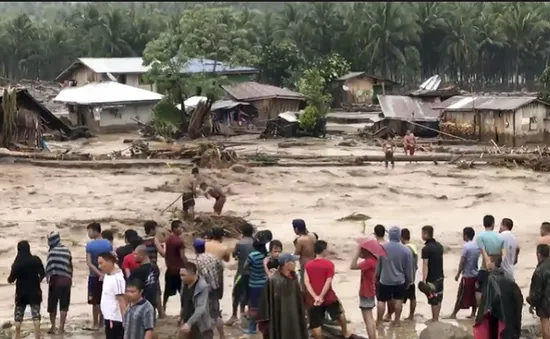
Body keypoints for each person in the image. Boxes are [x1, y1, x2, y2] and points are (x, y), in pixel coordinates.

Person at [304, 241, 352, 339]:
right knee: (339, 313)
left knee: (315, 324)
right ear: (324, 250)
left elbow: (306, 282)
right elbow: (328, 282)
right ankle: (345, 333)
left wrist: (315, 297)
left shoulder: (308, 265)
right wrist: (321, 296)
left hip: (313, 300)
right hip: (328, 297)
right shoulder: (329, 264)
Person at [258, 253, 309, 339]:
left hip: (294, 315)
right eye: (293, 261)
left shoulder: (294, 278)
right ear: (286, 264)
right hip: (279, 317)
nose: (295, 264)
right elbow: (266, 302)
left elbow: (299, 298)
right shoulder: (273, 280)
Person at [473, 256, 523, 339]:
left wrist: (478, 320)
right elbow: (519, 303)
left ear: (493, 263)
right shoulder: (512, 284)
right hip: (509, 324)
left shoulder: (490, 281)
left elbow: (485, 304)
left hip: (496, 321)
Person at [376, 226, 414, 326]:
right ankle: (397, 321)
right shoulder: (406, 250)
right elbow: (408, 267)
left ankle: (379, 321)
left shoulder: (382, 248)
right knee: (398, 300)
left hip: (385, 279)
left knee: (381, 300)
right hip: (399, 280)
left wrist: (377, 276)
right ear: (399, 235)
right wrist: (409, 280)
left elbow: (378, 265)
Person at [8, 241, 45, 339]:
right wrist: (38, 280)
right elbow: (43, 273)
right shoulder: (36, 260)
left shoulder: (17, 264)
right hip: (34, 290)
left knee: (19, 315)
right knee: (36, 315)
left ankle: (17, 335)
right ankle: (37, 336)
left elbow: (11, 279)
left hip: (21, 292)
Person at [194, 239, 225, 339]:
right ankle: (222, 336)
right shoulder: (213, 257)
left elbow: (198, 279)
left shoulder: (197, 262)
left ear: (195, 249)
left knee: (207, 316)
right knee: (216, 315)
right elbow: (221, 271)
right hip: (215, 288)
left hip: (206, 291)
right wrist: (220, 287)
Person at [226, 223, 255, 326]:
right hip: (253, 273)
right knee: (250, 294)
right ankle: (244, 314)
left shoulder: (240, 243)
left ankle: (234, 315)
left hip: (241, 273)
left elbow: (235, 255)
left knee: (236, 293)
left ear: (242, 232)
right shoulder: (256, 243)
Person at [448, 227, 480, 319]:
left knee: (461, 295)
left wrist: (458, 274)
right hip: (475, 274)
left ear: (465, 235)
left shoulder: (466, 247)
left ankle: (454, 313)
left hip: (467, 275)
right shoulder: (477, 246)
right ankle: (473, 313)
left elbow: (462, 261)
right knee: (473, 295)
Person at [86, 222, 113, 331]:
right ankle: (102, 323)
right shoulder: (108, 243)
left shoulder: (90, 245)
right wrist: (105, 273)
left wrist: (98, 273)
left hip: (94, 276)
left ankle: (95, 323)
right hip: (107, 274)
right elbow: (111, 260)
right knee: (104, 299)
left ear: (94, 231)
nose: (88, 233)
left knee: (95, 301)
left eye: (89, 231)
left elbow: (89, 263)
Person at [45, 232, 73, 334]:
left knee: (52, 304)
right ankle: (61, 327)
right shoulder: (67, 250)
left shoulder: (51, 252)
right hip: (66, 280)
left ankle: (53, 326)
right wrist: (70, 278)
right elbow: (70, 265)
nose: (48, 242)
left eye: (49, 240)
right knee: (64, 305)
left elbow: (48, 267)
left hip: (55, 281)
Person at [350, 242, 378, 339]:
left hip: (366, 291)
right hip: (370, 291)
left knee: (367, 319)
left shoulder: (369, 262)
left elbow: (352, 266)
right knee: (370, 317)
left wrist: (357, 252)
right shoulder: (373, 260)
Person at [179, 262, 214, 339]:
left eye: (183, 275)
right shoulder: (184, 283)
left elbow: (200, 308)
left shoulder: (202, 286)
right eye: (180, 275)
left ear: (192, 274)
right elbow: (183, 302)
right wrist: (181, 317)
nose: (181, 278)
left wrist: (189, 323)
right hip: (187, 324)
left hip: (201, 326)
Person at [475, 215, 504, 305]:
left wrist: (488, 263)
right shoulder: (500, 237)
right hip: (497, 267)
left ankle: (481, 310)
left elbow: (483, 251)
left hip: (485, 267)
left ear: (483, 224)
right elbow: (503, 254)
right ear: (493, 224)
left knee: (479, 289)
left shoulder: (480, 237)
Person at [98, 252, 127, 339]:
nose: (99, 266)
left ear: (110, 261)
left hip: (115, 319)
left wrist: (125, 322)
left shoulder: (117, 279)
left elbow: (122, 301)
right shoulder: (108, 274)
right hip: (108, 317)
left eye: (101, 263)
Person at [141, 220, 166, 318]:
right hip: (153, 267)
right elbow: (162, 253)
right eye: (156, 228)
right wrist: (165, 247)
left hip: (143, 267)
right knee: (156, 290)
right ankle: (161, 313)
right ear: (152, 229)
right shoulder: (154, 240)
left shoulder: (142, 240)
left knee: (145, 289)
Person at [420, 225, 445, 322]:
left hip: (432, 277)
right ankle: (436, 317)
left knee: (433, 298)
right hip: (440, 275)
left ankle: (434, 318)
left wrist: (424, 279)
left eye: (422, 233)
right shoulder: (440, 246)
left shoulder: (426, 249)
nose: (421, 235)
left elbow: (425, 265)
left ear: (426, 234)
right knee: (439, 296)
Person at [130, 245, 161, 317]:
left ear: (142, 255)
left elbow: (133, 289)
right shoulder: (155, 268)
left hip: (141, 304)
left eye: (135, 254)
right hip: (152, 304)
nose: (134, 256)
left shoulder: (137, 271)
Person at [245, 240, 268, 334]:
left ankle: (252, 328)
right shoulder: (267, 256)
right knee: (265, 306)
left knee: (253, 307)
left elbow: (245, 267)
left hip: (254, 284)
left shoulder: (253, 255)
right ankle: (264, 327)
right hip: (265, 284)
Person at [527, 244, 550, 339]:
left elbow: (536, 293)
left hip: (545, 304)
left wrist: (531, 303)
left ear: (539, 254)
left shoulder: (539, 271)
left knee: (545, 328)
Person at [164, 220, 187, 311]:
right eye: (180, 227)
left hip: (170, 268)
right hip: (179, 269)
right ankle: (183, 310)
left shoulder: (168, 239)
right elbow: (182, 256)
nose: (182, 229)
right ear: (175, 229)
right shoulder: (179, 241)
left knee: (167, 291)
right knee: (183, 292)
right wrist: (187, 265)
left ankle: (163, 308)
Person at [292, 219, 318, 285]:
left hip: (305, 264)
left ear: (296, 229)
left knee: (304, 284)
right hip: (314, 261)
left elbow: (296, 254)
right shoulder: (312, 236)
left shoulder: (300, 240)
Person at [400, 228, 417, 321]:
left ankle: (396, 317)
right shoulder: (413, 247)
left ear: (401, 237)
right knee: (412, 297)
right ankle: (411, 315)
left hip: (406, 277)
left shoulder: (405, 249)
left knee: (400, 298)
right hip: (412, 276)